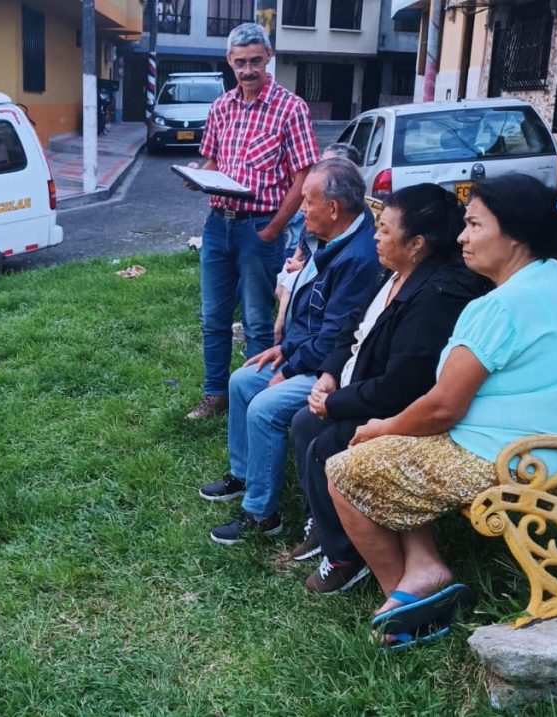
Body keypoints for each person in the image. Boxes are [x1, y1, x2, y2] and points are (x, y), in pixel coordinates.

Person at [326, 174, 557, 648]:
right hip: (551, 451)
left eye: (473, 225)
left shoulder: (503, 305)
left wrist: (380, 427)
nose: (462, 237)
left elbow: (443, 407)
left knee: (344, 467)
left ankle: (408, 601)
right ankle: (425, 565)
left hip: (503, 460)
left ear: (513, 234)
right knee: (392, 451)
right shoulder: (556, 281)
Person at [288, 184, 489, 595]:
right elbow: (351, 328)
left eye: (384, 230)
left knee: (327, 445)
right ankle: (329, 527)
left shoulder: (436, 296)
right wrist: (328, 376)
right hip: (358, 387)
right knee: (303, 423)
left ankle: (346, 556)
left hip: (397, 407)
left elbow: (403, 387)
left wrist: (336, 403)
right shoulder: (393, 271)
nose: (375, 237)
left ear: (416, 243)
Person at [199, 158, 380, 544]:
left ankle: (262, 513)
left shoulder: (358, 258)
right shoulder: (334, 235)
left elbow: (337, 339)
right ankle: (245, 475)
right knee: (241, 380)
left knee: (264, 406)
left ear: (333, 208)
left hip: (335, 370)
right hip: (308, 353)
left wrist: (290, 365)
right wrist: (285, 350)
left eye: (307, 201)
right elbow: (313, 314)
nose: (300, 209)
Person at [184, 21, 321, 420]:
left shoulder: (291, 108)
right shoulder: (221, 106)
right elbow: (214, 160)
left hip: (260, 225)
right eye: (240, 62)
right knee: (213, 317)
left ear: (269, 58)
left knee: (259, 320)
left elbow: (303, 177)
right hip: (217, 224)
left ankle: (255, 396)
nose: (248, 70)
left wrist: (275, 228)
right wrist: (200, 175)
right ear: (229, 61)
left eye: (255, 61)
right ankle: (215, 394)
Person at [274, 142, 362, 344]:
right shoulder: (320, 219)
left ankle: (279, 335)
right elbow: (302, 247)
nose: (303, 208)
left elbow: (333, 334)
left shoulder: (351, 244)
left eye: (329, 164)